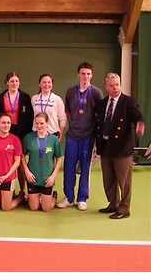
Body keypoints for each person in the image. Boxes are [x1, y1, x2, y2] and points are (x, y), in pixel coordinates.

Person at [94, 73, 145, 219]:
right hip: (105, 147)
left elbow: (138, 116)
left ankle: (124, 209)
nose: (115, 88)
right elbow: (98, 125)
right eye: (111, 85)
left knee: (124, 181)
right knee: (108, 180)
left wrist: (140, 124)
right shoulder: (102, 104)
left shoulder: (128, 102)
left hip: (122, 149)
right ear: (106, 87)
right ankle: (113, 204)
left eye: (117, 84)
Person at [57, 62, 103, 211]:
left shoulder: (96, 93)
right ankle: (69, 198)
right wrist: (75, 124)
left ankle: (82, 198)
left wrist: (96, 140)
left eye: (88, 74)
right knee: (68, 167)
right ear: (78, 74)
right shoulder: (70, 92)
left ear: (92, 75)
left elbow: (100, 116)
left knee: (85, 168)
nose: (86, 76)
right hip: (72, 137)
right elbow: (68, 112)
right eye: (83, 73)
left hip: (88, 138)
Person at [0, 72, 34, 199]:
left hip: (22, 133)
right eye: (12, 81)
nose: (14, 83)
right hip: (6, 132)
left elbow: (30, 117)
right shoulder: (1, 97)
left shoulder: (25, 97)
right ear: (7, 82)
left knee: (20, 162)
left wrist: (26, 134)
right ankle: (8, 189)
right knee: (7, 162)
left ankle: (22, 190)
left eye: (16, 81)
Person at [22, 113, 62, 212]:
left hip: (46, 179)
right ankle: (37, 197)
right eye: (37, 123)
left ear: (47, 123)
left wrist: (53, 176)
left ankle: (53, 196)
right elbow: (21, 156)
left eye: (41, 123)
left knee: (46, 209)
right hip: (33, 178)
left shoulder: (53, 139)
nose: (39, 126)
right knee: (34, 208)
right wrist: (27, 171)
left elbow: (59, 158)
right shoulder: (28, 138)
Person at [0, 114, 23, 211]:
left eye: (8, 123)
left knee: (5, 208)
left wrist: (6, 176)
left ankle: (20, 198)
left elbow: (17, 161)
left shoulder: (15, 140)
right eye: (3, 123)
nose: (6, 125)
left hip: (8, 178)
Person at [31, 74, 67, 140]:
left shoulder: (57, 99)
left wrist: (60, 135)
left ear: (52, 84)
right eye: (44, 82)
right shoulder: (34, 98)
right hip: (36, 134)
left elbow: (63, 118)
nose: (46, 84)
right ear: (39, 84)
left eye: (49, 82)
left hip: (52, 134)